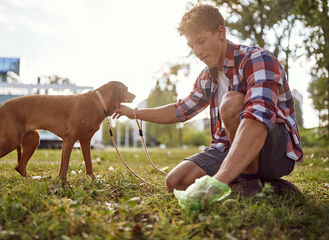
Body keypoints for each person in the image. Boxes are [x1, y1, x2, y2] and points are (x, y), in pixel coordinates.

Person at [113, 3, 303, 195]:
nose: (197, 51)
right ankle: (264, 187)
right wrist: (134, 113)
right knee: (176, 182)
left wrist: (218, 181)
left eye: (201, 41)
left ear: (221, 33)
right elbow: (181, 110)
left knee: (231, 103)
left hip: (273, 152)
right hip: (228, 147)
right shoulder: (207, 77)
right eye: (192, 45)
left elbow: (259, 119)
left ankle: (250, 182)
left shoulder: (257, 59)